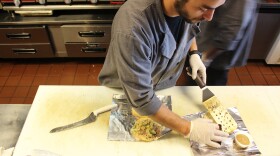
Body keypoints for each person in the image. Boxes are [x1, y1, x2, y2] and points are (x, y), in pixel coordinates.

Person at [98, 0, 228, 148]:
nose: (210, 17)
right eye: (204, 8)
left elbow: (189, 25)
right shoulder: (133, 25)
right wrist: (188, 128)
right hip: (121, 91)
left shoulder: (187, 8)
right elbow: (141, 99)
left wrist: (194, 53)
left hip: (160, 85)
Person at [196, 0, 258, 85]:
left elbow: (230, 32)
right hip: (203, 46)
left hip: (213, 57)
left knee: (208, 85)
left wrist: (206, 57)